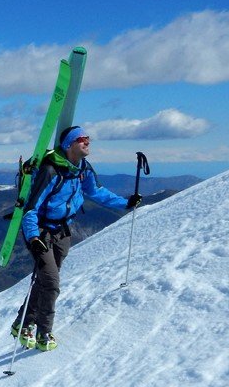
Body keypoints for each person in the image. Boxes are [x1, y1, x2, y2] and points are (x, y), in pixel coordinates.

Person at [11, 126, 141, 351]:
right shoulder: (51, 171)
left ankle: (22, 323)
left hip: (62, 232)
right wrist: (32, 237)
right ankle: (44, 332)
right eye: (82, 139)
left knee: (44, 280)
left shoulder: (82, 169)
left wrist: (125, 203)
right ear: (69, 144)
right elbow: (31, 208)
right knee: (51, 282)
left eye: (88, 139)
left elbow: (97, 192)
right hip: (41, 233)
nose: (87, 142)